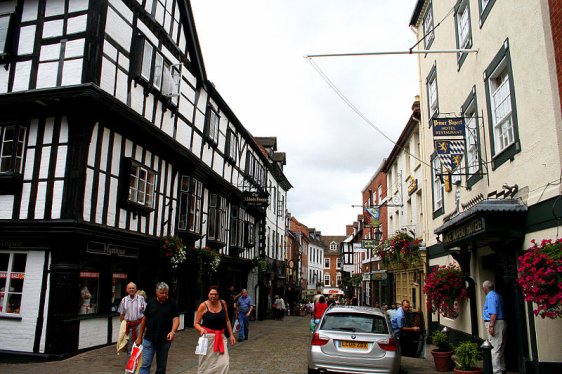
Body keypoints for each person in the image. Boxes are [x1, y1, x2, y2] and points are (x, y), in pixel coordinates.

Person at [136, 282, 179, 374]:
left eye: (166, 293)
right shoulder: (151, 302)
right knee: (145, 364)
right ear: (157, 292)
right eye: (162, 293)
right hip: (149, 339)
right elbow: (144, 321)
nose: (164, 295)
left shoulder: (172, 303)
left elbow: (176, 320)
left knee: (161, 366)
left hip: (164, 340)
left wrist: (172, 332)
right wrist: (139, 337)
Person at [194, 286, 236, 373]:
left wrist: (231, 335)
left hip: (221, 337)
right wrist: (201, 329)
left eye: (215, 294)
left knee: (224, 363)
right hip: (207, 338)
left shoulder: (223, 303)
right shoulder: (203, 305)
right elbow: (196, 323)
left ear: (218, 295)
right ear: (208, 295)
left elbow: (227, 320)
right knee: (206, 364)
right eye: (211, 294)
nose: (213, 296)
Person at [482, 280, 507, 374]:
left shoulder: (490, 296)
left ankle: (497, 371)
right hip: (502, 322)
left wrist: (491, 326)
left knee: (495, 349)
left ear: (485, 288)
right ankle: (502, 368)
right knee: (500, 348)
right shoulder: (497, 295)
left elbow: (493, 313)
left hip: (495, 323)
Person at [118, 282, 146, 356]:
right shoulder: (124, 300)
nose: (131, 289)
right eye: (130, 288)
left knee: (140, 342)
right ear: (127, 290)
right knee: (129, 343)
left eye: (133, 288)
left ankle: (139, 362)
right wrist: (123, 325)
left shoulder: (141, 299)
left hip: (139, 324)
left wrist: (145, 325)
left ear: (136, 289)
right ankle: (130, 363)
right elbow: (121, 314)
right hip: (129, 325)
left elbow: (145, 313)